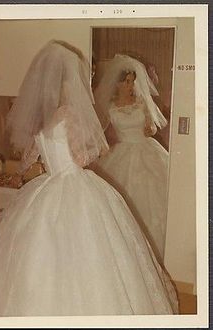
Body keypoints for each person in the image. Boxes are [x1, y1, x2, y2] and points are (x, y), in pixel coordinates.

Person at [0, 41, 178, 316]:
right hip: (74, 183)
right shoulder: (67, 114)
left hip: (47, 186)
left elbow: (28, 161)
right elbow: (83, 156)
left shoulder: (38, 121)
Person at [93, 54, 169, 261]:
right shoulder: (109, 108)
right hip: (122, 153)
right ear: (117, 83)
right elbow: (99, 133)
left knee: (151, 202)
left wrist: (149, 128)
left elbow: (152, 127)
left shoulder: (142, 102)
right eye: (127, 81)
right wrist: (102, 149)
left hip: (146, 151)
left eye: (132, 81)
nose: (130, 86)